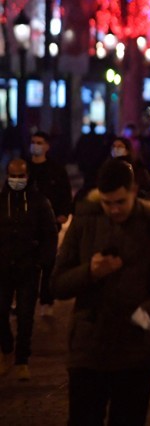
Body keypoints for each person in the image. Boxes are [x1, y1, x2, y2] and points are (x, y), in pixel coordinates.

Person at [52, 159, 150, 424]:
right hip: (88, 348)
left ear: (133, 190)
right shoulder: (86, 220)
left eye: (120, 202)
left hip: (135, 352)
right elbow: (57, 284)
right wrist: (89, 272)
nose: (114, 209)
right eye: (107, 203)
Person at [0, 159, 57, 379]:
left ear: (27, 176)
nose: (16, 180)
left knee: (25, 316)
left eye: (20, 176)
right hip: (3, 268)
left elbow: (49, 235)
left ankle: (22, 360)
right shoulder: (1, 200)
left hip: (28, 268)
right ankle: (6, 349)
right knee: (1, 312)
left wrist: (42, 261)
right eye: (12, 175)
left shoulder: (39, 202)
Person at [26, 131, 71, 318]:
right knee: (27, 264)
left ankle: (46, 299)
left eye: (39, 142)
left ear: (47, 146)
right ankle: (26, 300)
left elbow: (65, 193)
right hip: (26, 225)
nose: (35, 145)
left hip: (49, 224)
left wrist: (63, 213)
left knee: (48, 263)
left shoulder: (55, 169)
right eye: (33, 142)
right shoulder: (24, 168)